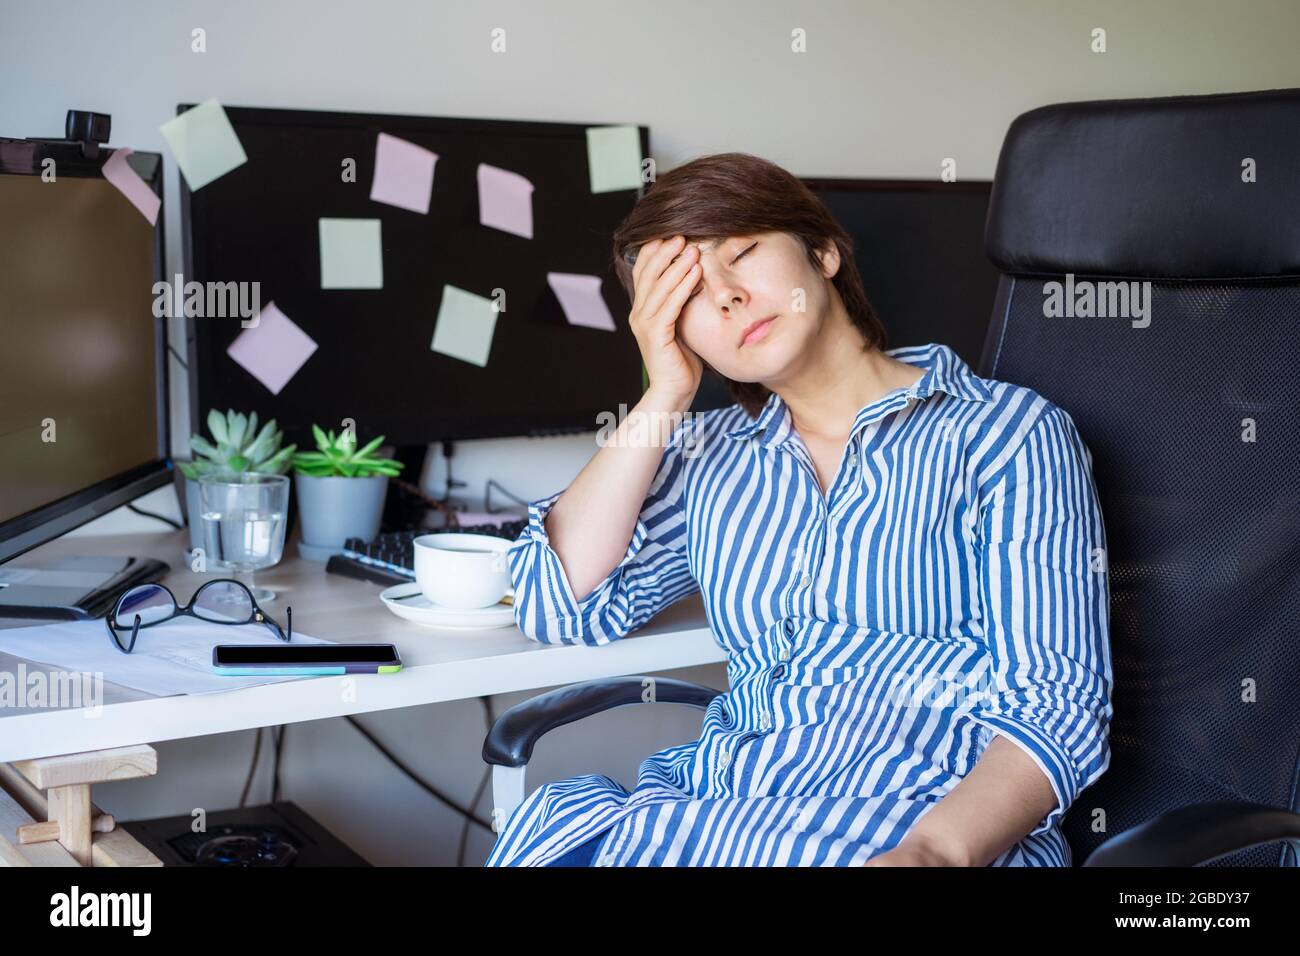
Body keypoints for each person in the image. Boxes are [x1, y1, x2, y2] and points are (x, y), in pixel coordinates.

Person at [485, 152, 1113, 867]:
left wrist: (933, 853)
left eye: (743, 254)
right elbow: (556, 604)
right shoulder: (709, 456)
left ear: (823, 251)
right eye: (686, 294)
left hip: (908, 825)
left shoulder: (1004, 435)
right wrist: (663, 395)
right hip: (716, 816)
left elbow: (1055, 706)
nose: (723, 297)